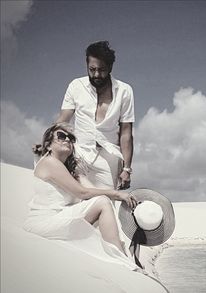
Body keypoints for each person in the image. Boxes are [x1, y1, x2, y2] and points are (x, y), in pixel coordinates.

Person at [24, 123, 138, 267]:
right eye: (61, 136)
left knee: (103, 202)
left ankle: (121, 255)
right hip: (44, 223)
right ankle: (122, 259)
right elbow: (82, 193)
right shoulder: (49, 162)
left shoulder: (70, 172)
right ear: (48, 145)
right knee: (103, 202)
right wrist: (116, 193)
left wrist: (117, 196)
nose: (67, 140)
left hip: (60, 219)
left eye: (70, 138)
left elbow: (91, 191)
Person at [55, 40, 134, 191]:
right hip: (79, 154)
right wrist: (46, 142)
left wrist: (127, 169)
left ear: (110, 67)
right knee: (77, 203)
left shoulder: (125, 91)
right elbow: (63, 120)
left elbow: (126, 132)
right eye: (92, 69)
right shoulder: (76, 86)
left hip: (109, 157)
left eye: (102, 69)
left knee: (106, 203)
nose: (97, 74)